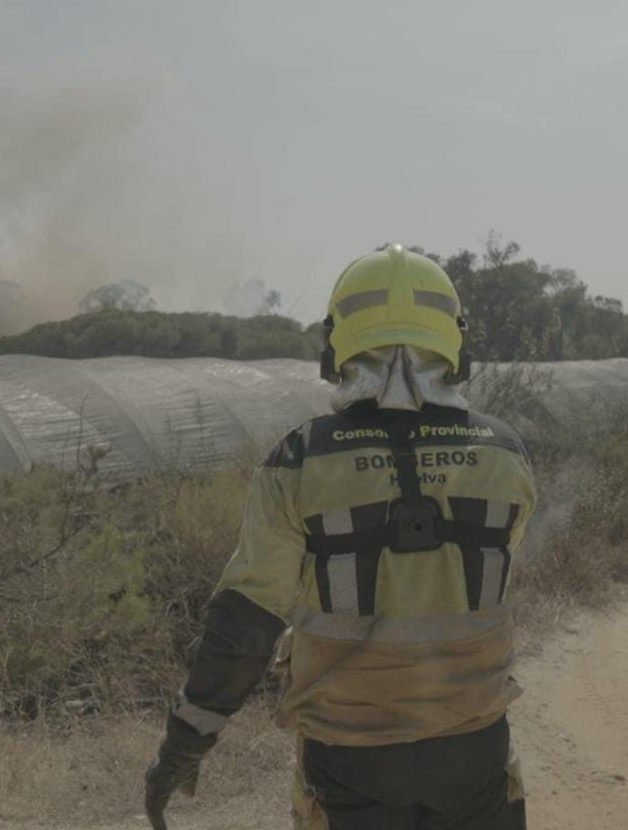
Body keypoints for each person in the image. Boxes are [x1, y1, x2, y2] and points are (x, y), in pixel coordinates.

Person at [145, 244, 537, 830]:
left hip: (349, 766)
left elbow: (247, 620)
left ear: (338, 344)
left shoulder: (301, 461)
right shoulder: (505, 454)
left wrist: (185, 742)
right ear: (454, 341)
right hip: (477, 753)